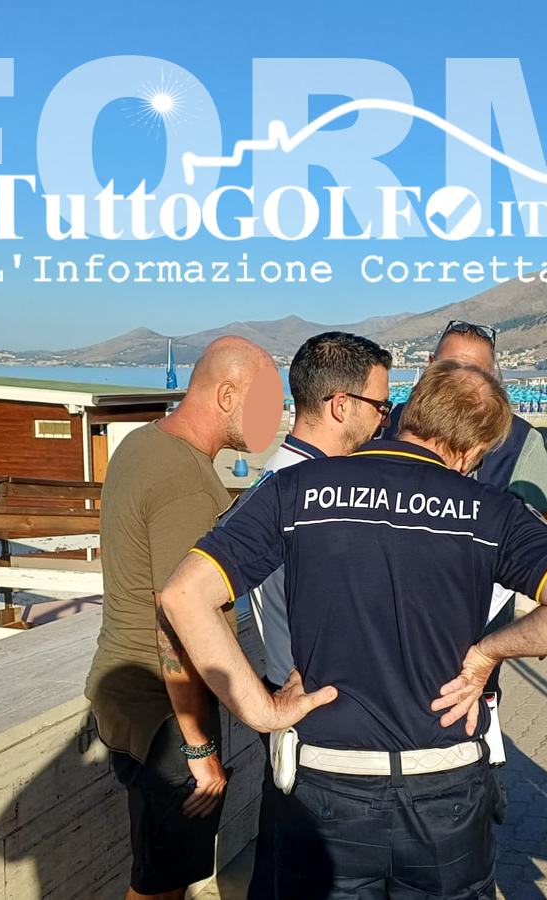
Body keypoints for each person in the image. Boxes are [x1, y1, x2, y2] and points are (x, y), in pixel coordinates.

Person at [158, 360, 547, 900]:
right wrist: (488, 653)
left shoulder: (296, 489)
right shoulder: (490, 512)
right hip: (445, 791)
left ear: (409, 412)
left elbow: (183, 595)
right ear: (472, 451)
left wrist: (262, 712)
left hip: (325, 786)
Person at [84, 335, 279, 900]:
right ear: (227, 395)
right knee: (159, 888)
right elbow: (176, 620)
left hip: (128, 700)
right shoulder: (187, 481)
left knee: (160, 876)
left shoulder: (143, 442)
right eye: (265, 402)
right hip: (167, 718)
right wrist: (199, 749)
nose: (272, 418)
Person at [238, 332, 394, 900]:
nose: (385, 420)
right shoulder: (313, 499)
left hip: (293, 703)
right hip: (318, 721)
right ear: (341, 405)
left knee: (281, 868)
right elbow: (184, 600)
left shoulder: (278, 484)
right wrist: (261, 708)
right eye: (381, 406)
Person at [384, 321, 547, 752]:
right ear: (428, 367)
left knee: (467, 742)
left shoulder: (520, 440)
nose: (463, 383)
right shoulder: (383, 423)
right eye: (451, 368)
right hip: (383, 629)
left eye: (478, 374)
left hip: (472, 640)